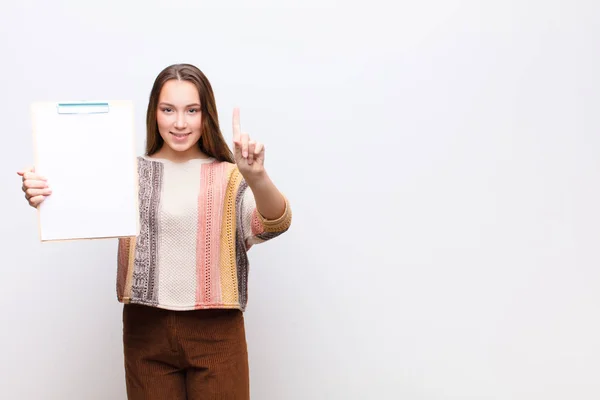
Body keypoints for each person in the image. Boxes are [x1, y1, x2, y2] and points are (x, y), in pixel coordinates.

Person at [17, 63, 292, 399]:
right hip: (145, 329)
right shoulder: (127, 174)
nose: (179, 122)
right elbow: (74, 201)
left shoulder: (231, 176)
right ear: (154, 113)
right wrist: (42, 194)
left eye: (192, 110)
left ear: (206, 115)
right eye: (168, 110)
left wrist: (258, 177)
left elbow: (274, 223)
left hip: (217, 331)